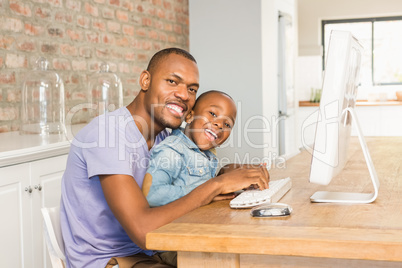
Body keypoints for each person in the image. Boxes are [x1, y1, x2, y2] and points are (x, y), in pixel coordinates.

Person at [60, 48, 270, 268]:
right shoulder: (107, 135)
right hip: (111, 259)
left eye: (191, 89)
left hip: (155, 250)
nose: (183, 94)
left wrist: (226, 174)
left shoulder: (165, 137)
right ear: (145, 80)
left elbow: (182, 187)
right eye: (172, 81)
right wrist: (216, 185)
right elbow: (143, 231)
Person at [143, 90, 237, 207]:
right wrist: (208, 191)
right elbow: (152, 195)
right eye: (213, 114)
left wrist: (231, 178)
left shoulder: (207, 154)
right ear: (189, 116)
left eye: (227, 124)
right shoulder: (173, 150)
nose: (220, 125)